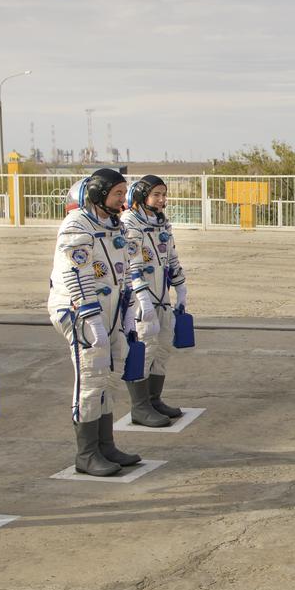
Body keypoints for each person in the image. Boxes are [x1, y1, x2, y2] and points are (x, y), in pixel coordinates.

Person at [47, 168, 147, 476]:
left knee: (109, 376)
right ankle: (87, 452)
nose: (123, 199)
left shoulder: (112, 225)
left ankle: (106, 444)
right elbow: (75, 276)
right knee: (91, 378)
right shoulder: (77, 225)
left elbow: (122, 270)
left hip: (110, 311)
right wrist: (91, 320)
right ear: (99, 195)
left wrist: (128, 314)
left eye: (123, 193)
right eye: (117, 193)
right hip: (81, 313)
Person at [121, 175, 188, 422]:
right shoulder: (130, 224)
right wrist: (142, 298)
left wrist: (181, 288)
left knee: (163, 346)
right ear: (141, 196)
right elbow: (132, 265)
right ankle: (140, 406)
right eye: (156, 194)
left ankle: (154, 399)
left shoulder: (161, 223)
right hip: (141, 299)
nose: (161, 200)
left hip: (161, 295)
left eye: (163, 194)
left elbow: (171, 257)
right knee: (146, 347)